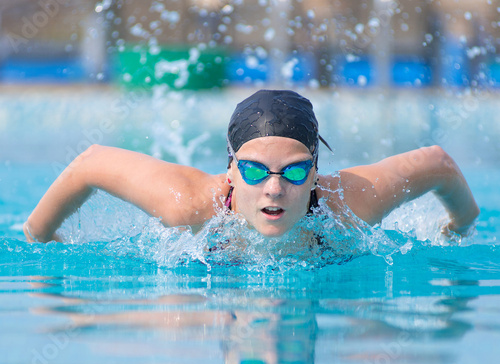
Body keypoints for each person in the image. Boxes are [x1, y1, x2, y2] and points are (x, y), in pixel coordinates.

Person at [23, 89, 479, 244]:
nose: (274, 190)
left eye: (296, 171)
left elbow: (438, 163)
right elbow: (90, 162)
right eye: (256, 171)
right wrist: (41, 238)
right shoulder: (189, 206)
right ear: (230, 173)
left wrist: (455, 230)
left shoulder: (347, 204)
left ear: (316, 175)